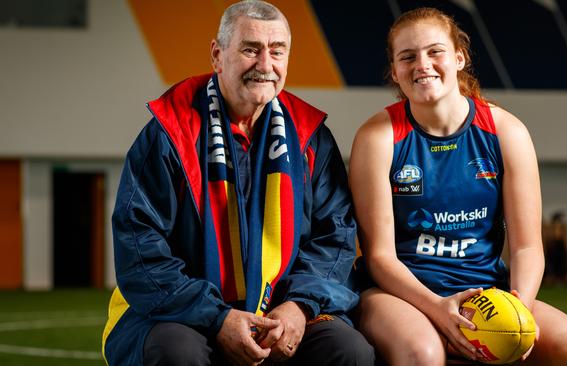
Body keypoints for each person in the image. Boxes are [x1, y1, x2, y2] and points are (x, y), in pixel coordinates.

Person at [101, 1, 374, 365]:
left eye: (277, 51)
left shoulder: (311, 138)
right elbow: (140, 246)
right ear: (217, 54)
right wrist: (217, 317)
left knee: (348, 351)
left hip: (283, 309)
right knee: (174, 352)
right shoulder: (170, 134)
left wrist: (298, 307)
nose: (265, 65)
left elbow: (335, 237)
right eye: (250, 49)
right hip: (184, 310)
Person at [349, 7, 567, 366]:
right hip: (399, 295)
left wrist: (519, 313)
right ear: (395, 71)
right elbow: (379, 258)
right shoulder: (378, 137)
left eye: (434, 51)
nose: (422, 64)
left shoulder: (506, 131)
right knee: (422, 354)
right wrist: (439, 309)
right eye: (407, 57)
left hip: (487, 293)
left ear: (459, 57)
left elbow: (528, 247)